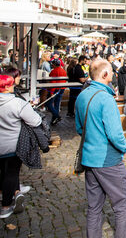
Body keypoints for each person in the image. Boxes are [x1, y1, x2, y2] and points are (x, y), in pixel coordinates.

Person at [75, 59, 126, 238]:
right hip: (107, 160)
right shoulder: (106, 99)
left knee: (94, 207)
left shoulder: (82, 96)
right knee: (123, 204)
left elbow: (79, 128)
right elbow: (115, 134)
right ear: (105, 74)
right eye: (112, 73)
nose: (114, 76)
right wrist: (125, 146)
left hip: (89, 158)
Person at [0, 74, 42, 219]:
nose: (13, 86)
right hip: (13, 145)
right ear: (6, 87)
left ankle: (16, 192)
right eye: (11, 84)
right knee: (11, 173)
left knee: (3, 172)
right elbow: (36, 121)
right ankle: (6, 205)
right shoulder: (17, 103)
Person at [48, 58, 67, 126]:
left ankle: (57, 116)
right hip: (62, 88)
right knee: (56, 104)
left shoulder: (54, 71)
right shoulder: (63, 71)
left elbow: (53, 83)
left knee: (49, 104)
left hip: (55, 89)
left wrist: (51, 92)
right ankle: (54, 119)